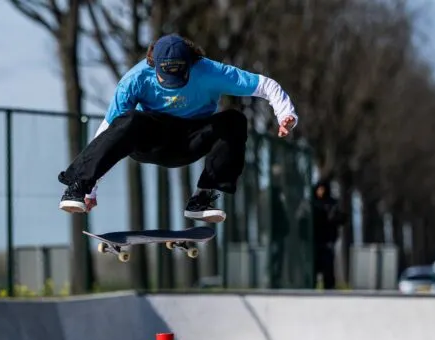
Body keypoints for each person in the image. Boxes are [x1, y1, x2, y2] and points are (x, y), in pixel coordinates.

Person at [58, 34, 298, 221]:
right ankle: (79, 184)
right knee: (129, 119)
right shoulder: (135, 79)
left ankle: (203, 197)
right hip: (151, 141)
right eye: (166, 79)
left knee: (234, 120)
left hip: (190, 140)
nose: (172, 86)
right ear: (154, 65)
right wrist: (92, 189)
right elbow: (110, 131)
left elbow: (265, 85)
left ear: (190, 63)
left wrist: (285, 113)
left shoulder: (209, 70)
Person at [310, 179, 342, 290]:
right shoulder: (311, 204)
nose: (321, 192)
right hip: (314, 242)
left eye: (323, 189)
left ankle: (329, 288)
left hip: (327, 242)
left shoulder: (331, 204)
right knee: (313, 268)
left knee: (328, 268)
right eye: (319, 189)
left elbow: (339, 219)